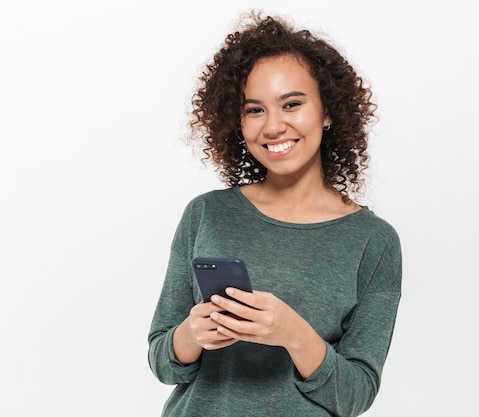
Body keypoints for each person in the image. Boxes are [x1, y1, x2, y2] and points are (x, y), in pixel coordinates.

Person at [148, 11, 402, 417]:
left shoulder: (374, 242)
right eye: (254, 110)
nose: (273, 126)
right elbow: (161, 360)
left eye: (292, 104)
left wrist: (293, 333)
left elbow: (356, 395)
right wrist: (190, 334)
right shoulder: (206, 214)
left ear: (328, 111)